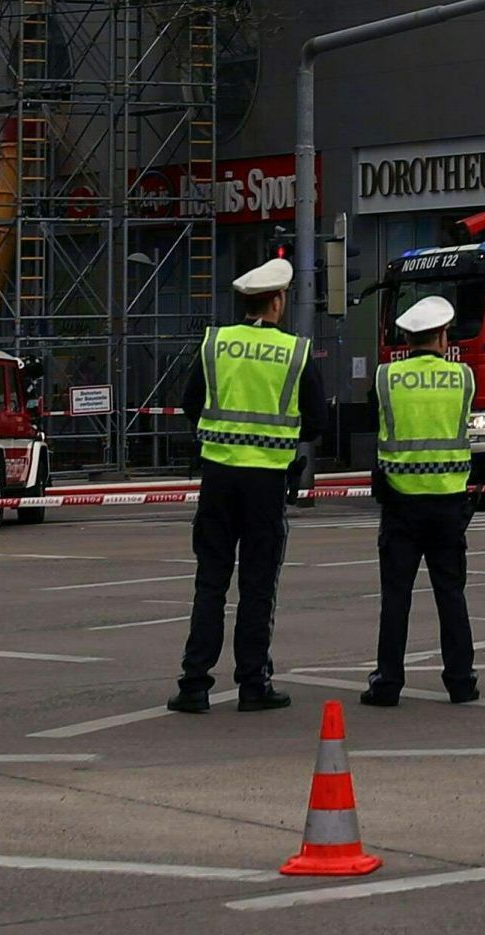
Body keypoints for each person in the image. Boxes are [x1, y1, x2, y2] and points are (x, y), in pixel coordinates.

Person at [171, 256, 315, 715]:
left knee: (210, 582)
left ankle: (194, 684)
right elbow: (316, 422)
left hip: (217, 477)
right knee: (257, 586)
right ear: (277, 302)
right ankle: (253, 682)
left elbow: (190, 402)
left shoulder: (216, 344)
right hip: (266, 483)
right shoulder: (295, 352)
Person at [363, 293, 478, 710]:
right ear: (443, 336)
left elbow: (370, 427)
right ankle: (461, 681)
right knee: (451, 594)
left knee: (396, 596)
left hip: (400, 504)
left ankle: (388, 682)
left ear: (407, 337)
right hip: (449, 502)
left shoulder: (385, 378)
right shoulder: (463, 378)